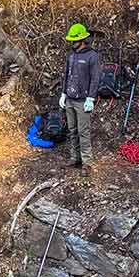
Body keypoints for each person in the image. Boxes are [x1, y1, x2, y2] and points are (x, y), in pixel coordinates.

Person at [59, 23, 101, 172]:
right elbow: (66, 75)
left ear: (82, 40)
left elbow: (95, 79)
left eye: (74, 40)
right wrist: (63, 94)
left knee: (83, 131)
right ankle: (75, 158)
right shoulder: (71, 55)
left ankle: (87, 162)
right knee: (72, 130)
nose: (72, 43)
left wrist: (91, 98)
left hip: (83, 101)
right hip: (70, 98)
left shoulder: (92, 56)